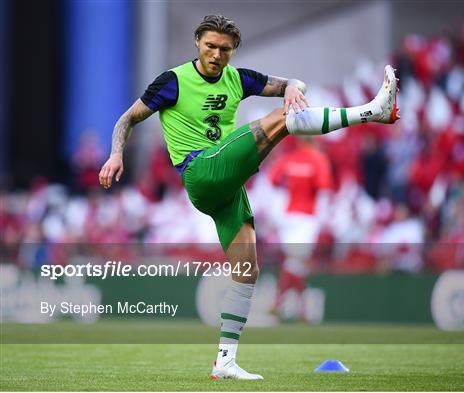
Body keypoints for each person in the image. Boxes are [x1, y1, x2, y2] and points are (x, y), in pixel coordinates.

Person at [99, 14, 399, 380]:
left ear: (233, 50)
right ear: (197, 42)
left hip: (225, 188)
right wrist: (116, 153)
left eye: (225, 49)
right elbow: (126, 119)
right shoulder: (173, 81)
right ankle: (372, 111)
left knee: (247, 271)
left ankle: (225, 361)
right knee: (282, 119)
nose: (216, 54)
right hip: (201, 172)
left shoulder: (238, 79)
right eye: (210, 46)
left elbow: (292, 83)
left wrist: (292, 86)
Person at [268, 137, 332, 321]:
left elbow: (272, 182)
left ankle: (283, 305)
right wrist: (321, 221)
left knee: (293, 263)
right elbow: (324, 191)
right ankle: (295, 307)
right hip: (307, 218)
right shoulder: (319, 160)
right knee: (297, 262)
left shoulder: (289, 158)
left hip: (287, 216)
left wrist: (277, 213)